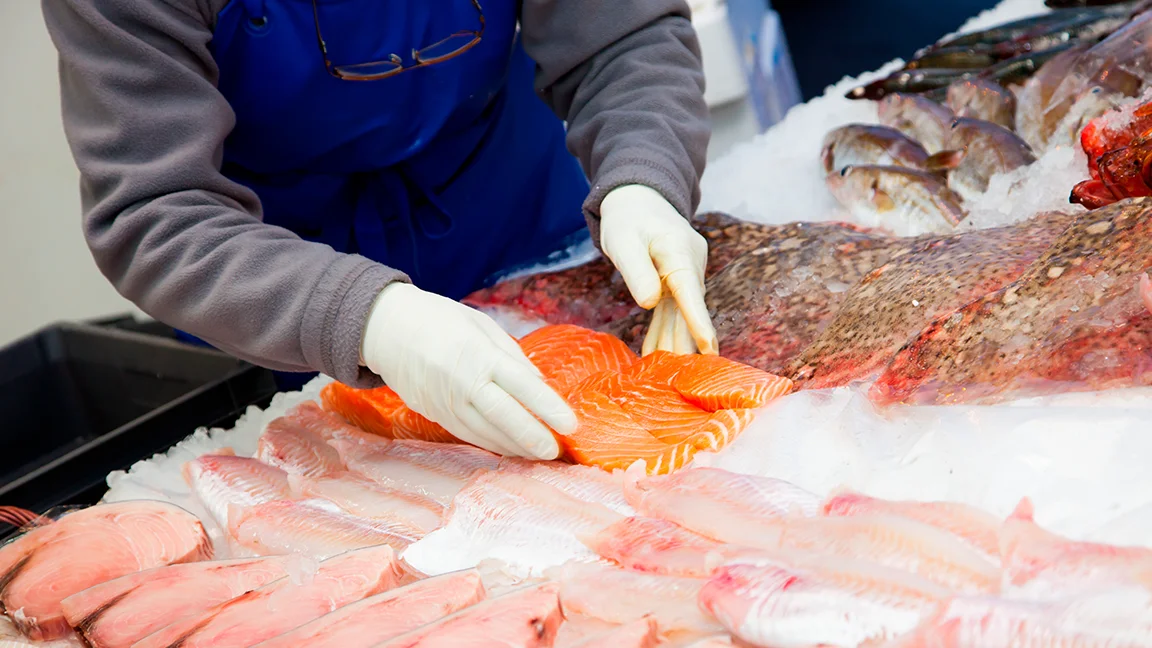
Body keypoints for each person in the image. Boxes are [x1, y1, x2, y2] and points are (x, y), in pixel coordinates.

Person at [43, 0, 716, 461]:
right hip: (279, 297)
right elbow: (156, 210)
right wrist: (370, 321)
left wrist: (642, 176)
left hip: (520, 224)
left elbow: (624, 39)